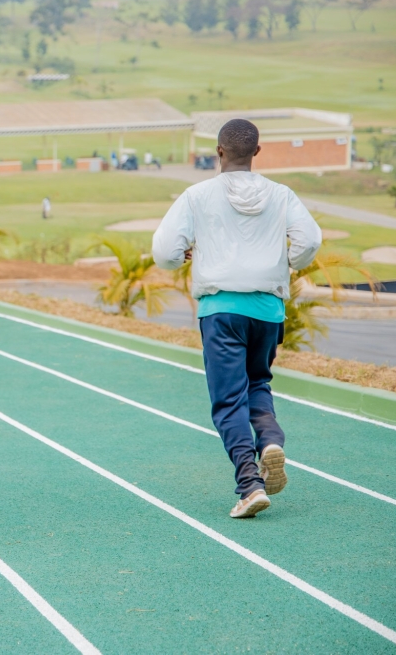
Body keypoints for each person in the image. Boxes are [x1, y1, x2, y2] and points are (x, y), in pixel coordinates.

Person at [152, 119, 321, 519]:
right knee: (257, 381)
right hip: (267, 309)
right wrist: (288, 262)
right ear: (257, 153)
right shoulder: (282, 195)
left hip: (221, 310)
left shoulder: (197, 195)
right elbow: (310, 240)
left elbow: (164, 250)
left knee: (228, 400)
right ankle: (270, 440)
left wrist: (181, 257)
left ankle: (249, 484)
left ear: (219, 152)